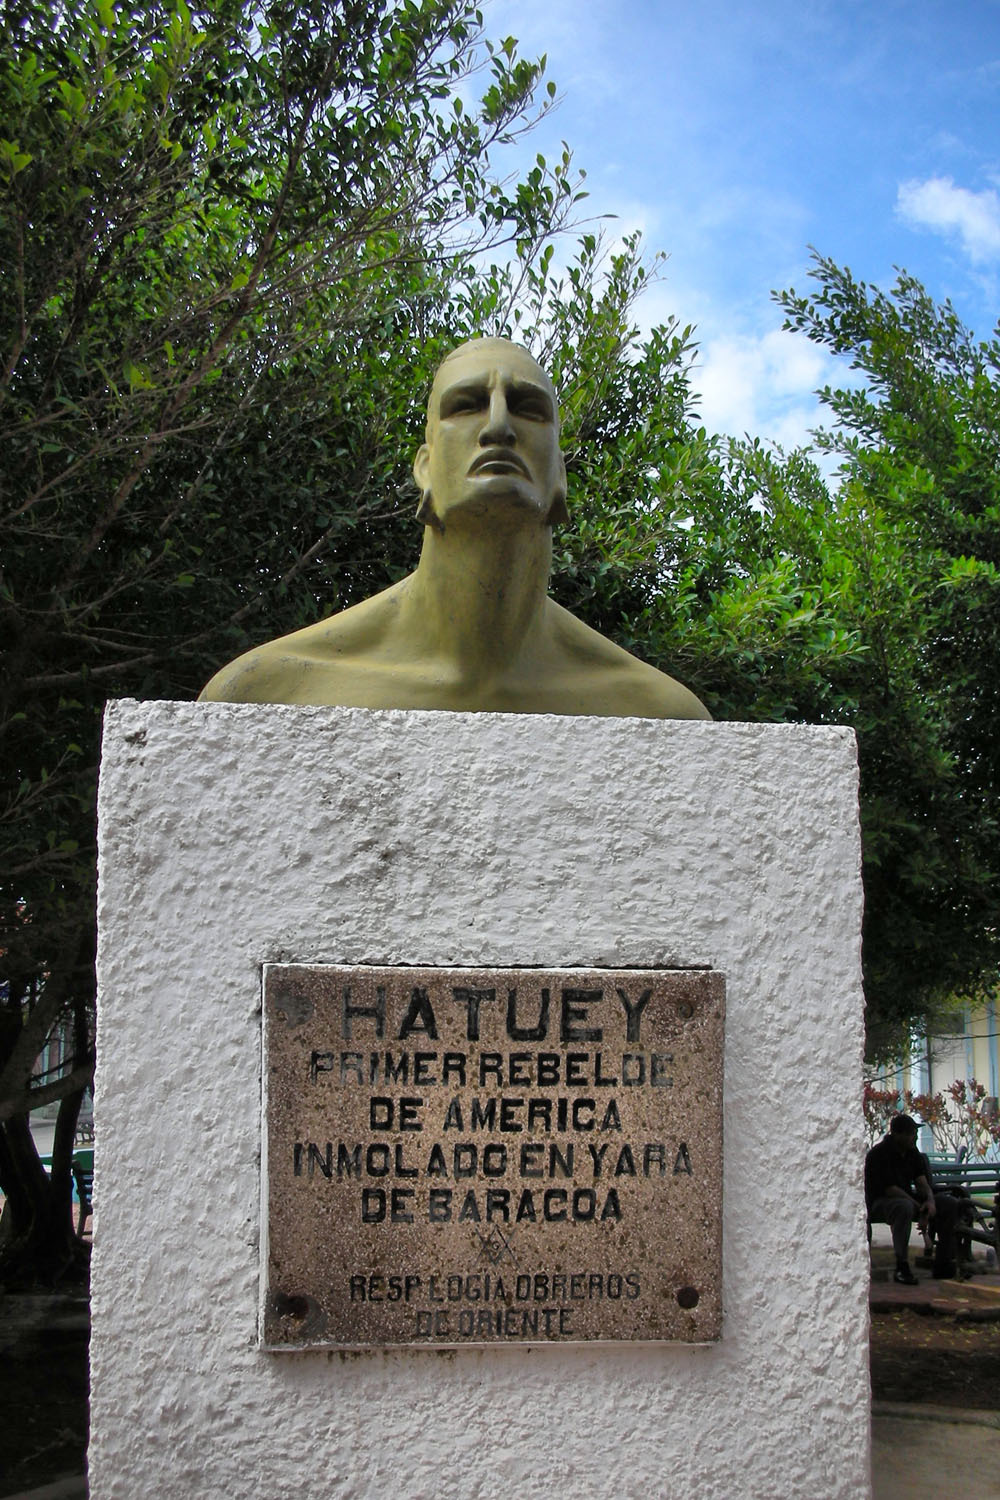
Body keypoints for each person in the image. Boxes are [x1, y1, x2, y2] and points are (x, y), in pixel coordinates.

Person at [200, 337, 711, 719]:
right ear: (424, 469)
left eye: (529, 410)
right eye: (465, 406)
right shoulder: (263, 692)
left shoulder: (662, 715)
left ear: (559, 474)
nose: (498, 427)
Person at [865, 1113, 960, 1283]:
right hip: (880, 1202)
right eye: (910, 1134)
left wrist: (930, 1201)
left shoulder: (912, 1153)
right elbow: (890, 1189)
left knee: (948, 1203)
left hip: (908, 1199)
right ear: (897, 1134)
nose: (914, 1137)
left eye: (914, 1133)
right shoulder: (879, 1154)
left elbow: (921, 1181)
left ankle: (944, 1262)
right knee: (903, 1207)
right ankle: (902, 1266)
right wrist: (919, 1208)